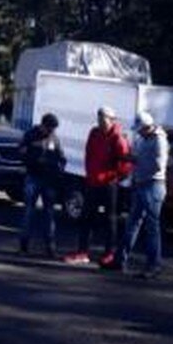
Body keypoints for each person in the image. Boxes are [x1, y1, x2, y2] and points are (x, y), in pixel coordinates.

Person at [65, 107, 131, 268]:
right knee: (86, 217)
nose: (101, 121)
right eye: (99, 118)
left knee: (111, 219)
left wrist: (114, 178)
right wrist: (90, 174)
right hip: (93, 182)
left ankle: (109, 254)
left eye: (104, 119)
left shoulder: (118, 138)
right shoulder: (94, 133)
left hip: (109, 185)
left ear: (112, 120)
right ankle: (82, 252)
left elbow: (126, 163)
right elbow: (88, 154)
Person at [119, 112, 168, 278]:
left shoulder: (159, 140)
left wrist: (138, 162)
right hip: (141, 184)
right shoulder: (143, 139)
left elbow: (158, 166)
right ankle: (120, 259)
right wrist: (129, 157)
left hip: (153, 185)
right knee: (132, 223)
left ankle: (154, 265)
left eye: (140, 129)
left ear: (148, 127)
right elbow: (139, 157)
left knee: (151, 227)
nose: (138, 132)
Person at [19, 113, 66, 258]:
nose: (52, 132)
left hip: (49, 180)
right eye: (50, 129)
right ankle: (24, 246)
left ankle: (50, 247)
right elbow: (21, 151)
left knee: (49, 214)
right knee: (29, 212)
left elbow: (62, 157)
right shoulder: (30, 135)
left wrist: (58, 169)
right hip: (33, 177)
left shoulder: (54, 138)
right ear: (43, 125)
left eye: (53, 129)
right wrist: (32, 159)